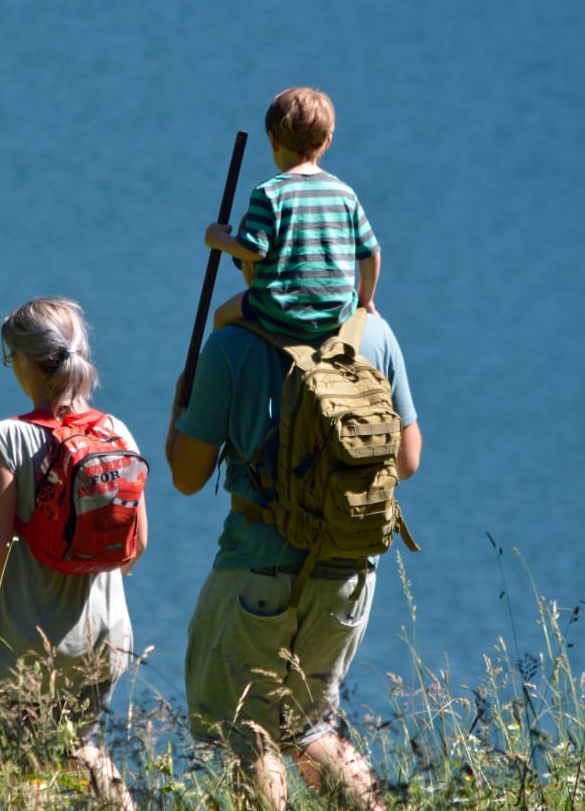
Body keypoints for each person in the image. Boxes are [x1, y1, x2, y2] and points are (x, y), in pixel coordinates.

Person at [166, 290, 421, 810]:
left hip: (258, 569)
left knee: (247, 731)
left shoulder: (231, 345)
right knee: (313, 725)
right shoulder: (373, 334)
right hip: (349, 570)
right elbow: (408, 459)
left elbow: (187, 476)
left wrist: (181, 408)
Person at [0, 296, 145, 809]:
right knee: (81, 745)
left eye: (10, 359)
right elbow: (135, 548)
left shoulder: (6, 439)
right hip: (106, 634)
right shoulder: (115, 431)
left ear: (28, 363)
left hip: (32, 640)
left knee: (23, 774)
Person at [206, 86, 382, 340]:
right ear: (328, 142)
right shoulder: (345, 194)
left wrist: (216, 239)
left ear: (273, 139)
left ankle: (205, 377)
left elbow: (253, 250)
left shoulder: (268, 193)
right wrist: (365, 300)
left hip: (279, 309)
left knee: (221, 316)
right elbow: (371, 254)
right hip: (337, 313)